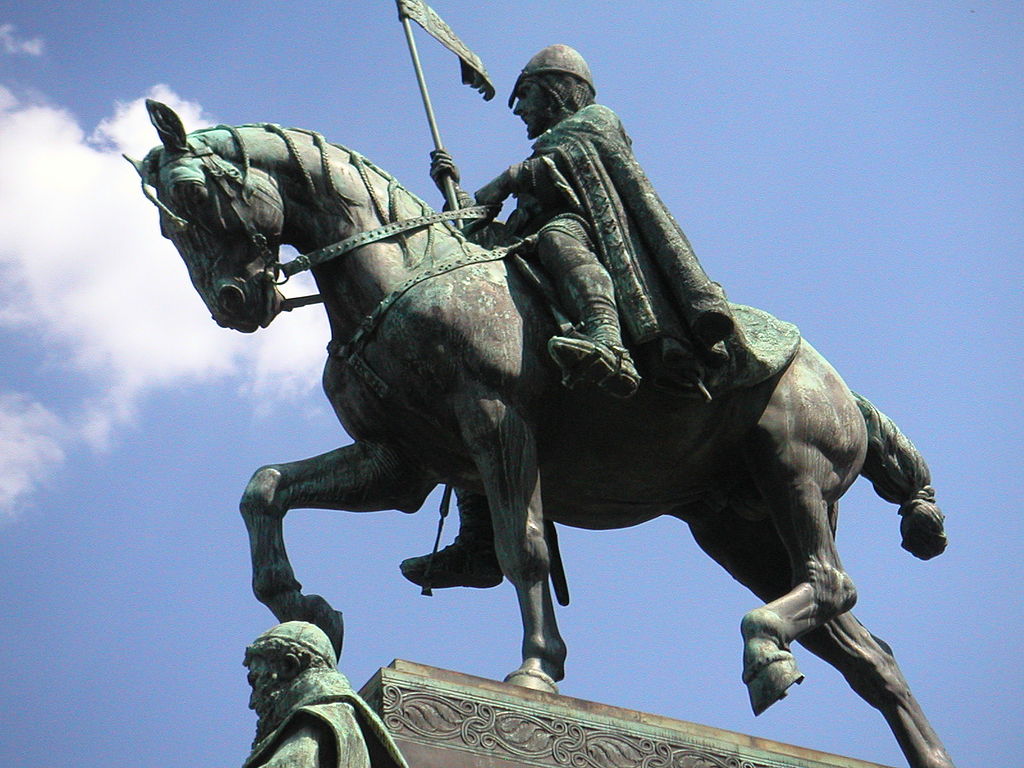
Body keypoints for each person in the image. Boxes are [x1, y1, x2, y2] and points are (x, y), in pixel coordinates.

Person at [405, 44, 745, 591]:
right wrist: (458, 198)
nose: (520, 111)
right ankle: (478, 544)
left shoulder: (595, 121)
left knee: (562, 239)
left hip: (590, 235)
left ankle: (606, 335)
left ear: (558, 88)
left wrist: (514, 176)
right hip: (530, 241)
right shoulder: (544, 153)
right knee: (472, 392)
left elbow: (582, 169)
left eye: (527, 96)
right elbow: (483, 232)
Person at [242, 622, 408, 768]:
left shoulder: (315, 720)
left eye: (254, 679)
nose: (251, 703)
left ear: (289, 665)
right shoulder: (333, 717)